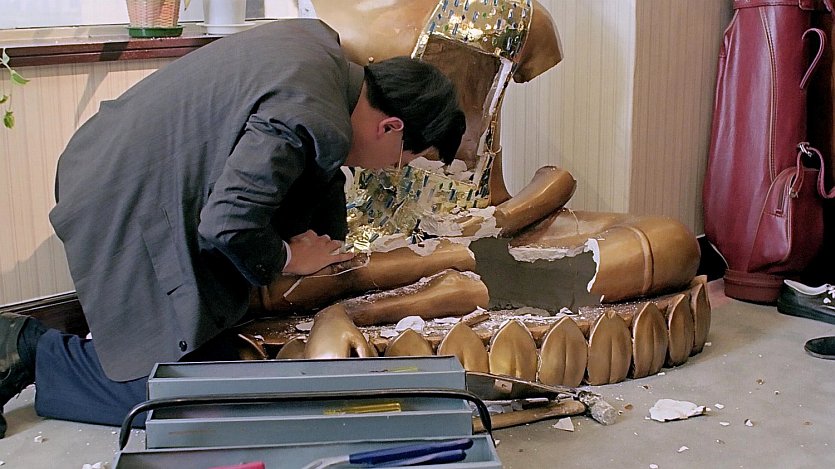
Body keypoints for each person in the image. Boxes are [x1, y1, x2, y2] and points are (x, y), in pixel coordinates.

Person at [0, 18, 465, 437]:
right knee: (180, 396)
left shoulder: (322, 55)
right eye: (403, 161)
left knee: (220, 348)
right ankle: (28, 347)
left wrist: (325, 246)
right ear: (391, 127)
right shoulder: (313, 112)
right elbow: (228, 222)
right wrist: (289, 257)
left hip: (115, 161)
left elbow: (313, 175)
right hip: (120, 195)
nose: (388, 171)